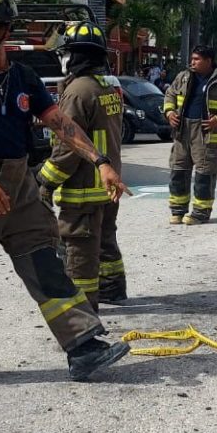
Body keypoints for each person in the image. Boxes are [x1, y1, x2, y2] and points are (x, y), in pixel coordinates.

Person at [0, 0, 131, 389]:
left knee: (47, 266)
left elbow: (61, 123)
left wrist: (101, 162)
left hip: (20, 187)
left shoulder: (22, 77)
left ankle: (83, 347)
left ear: (4, 30)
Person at [38, 22, 128, 309]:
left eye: (64, 54)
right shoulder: (107, 86)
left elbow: (68, 147)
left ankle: (83, 307)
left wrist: (45, 179)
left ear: (76, 56)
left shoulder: (78, 91)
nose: (61, 59)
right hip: (108, 183)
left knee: (79, 251)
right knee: (105, 240)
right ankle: (113, 287)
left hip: (84, 190)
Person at [162, 45, 217, 225]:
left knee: (204, 174)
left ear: (208, 61)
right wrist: (169, 113)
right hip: (182, 131)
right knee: (178, 171)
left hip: (206, 133)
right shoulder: (183, 77)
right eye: (192, 59)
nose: (192, 62)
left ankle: (200, 213)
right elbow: (170, 95)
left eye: (197, 59)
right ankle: (178, 211)